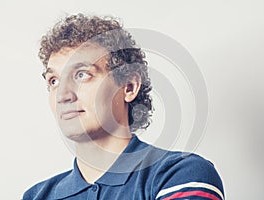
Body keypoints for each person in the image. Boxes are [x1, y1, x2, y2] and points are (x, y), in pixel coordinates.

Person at [23, 13, 224, 200]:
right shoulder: (37, 195)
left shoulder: (180, 174)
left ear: (129, 87)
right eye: (54, 81)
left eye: (82, 75)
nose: (63, 95)